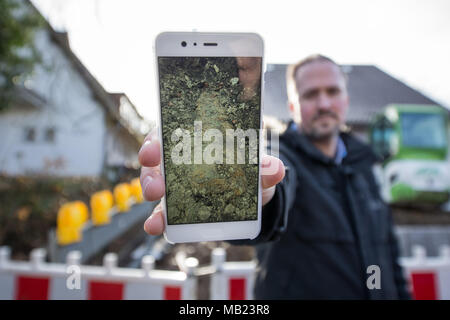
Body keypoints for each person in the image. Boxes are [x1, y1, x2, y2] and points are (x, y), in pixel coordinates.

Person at [138, 54, 411, 299]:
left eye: (332, 91)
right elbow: (278, 182)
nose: (324, 103)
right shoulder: (282, 153)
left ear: (346, 100)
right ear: (293, 106)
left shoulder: (367, 165)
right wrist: (259, 193)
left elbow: (388, 252)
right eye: (311, 94)